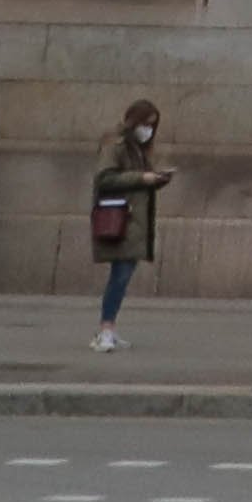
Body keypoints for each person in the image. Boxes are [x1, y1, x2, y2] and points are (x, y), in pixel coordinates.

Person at [87, 100, 172, 353]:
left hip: (132, 222)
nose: (148, 130)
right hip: (121, 219)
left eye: (152, 126)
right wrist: (143, 177)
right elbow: (104, 177)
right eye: (146, 124)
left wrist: (156, 180)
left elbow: (133, 183)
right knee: (120, 277)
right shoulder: (116, 145)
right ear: (134, 121)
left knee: (121, 277)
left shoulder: (137, 148)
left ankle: (109, 328)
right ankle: (106, 329)